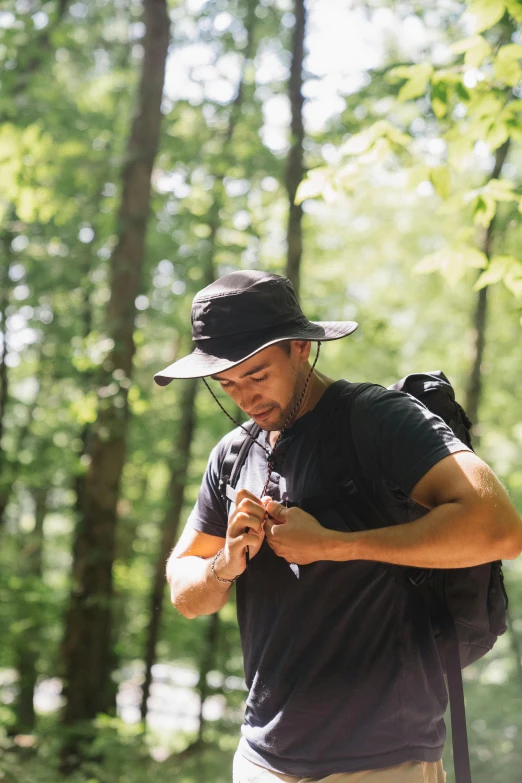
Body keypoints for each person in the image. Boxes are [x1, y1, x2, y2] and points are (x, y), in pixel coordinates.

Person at [154, 270, 522, 783]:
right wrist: (224, 563)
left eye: (257, 375)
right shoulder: (232, 456)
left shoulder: (378, 420)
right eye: (227, 384)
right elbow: (186, 594)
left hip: (384, 760)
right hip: (262, 758)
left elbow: (499, 529)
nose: (246, 399)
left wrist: (335, 545)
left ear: (301, 347)